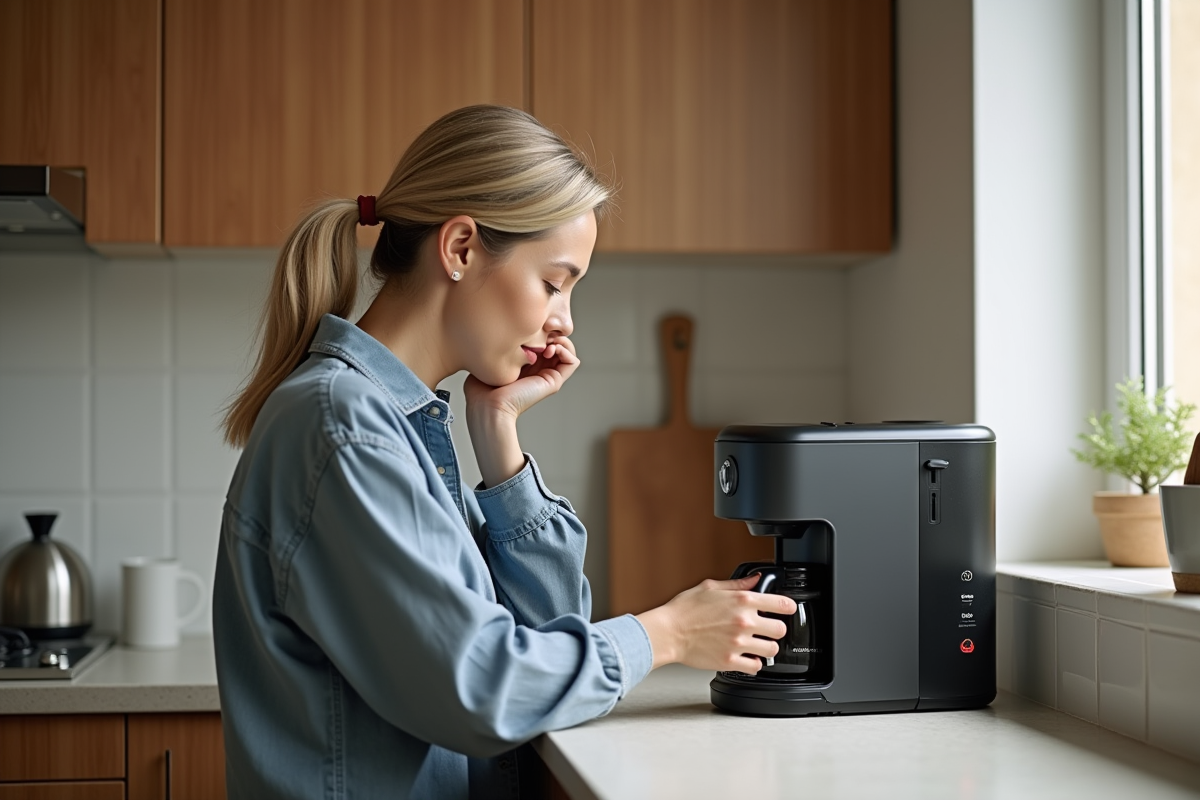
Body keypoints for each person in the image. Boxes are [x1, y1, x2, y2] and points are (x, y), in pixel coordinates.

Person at [214, 104, 795, 800]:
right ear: (459, 248)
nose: (564, 321)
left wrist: (498, 438)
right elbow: (485, 691)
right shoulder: (344, 428)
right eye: (554, 283)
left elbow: (548, 638)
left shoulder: (397, 424)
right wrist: (666, 633)